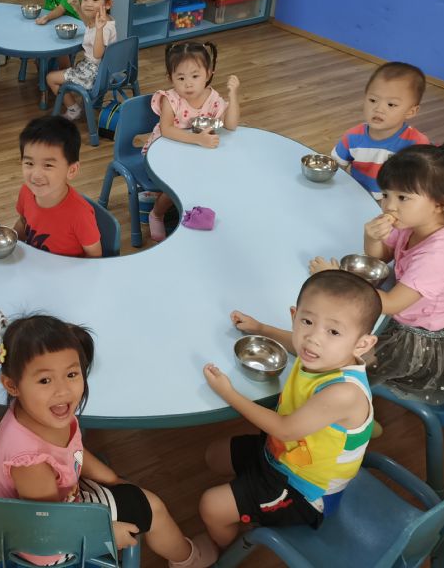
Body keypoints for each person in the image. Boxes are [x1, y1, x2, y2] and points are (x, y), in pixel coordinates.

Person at [0, 315, 218, 568]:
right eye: (45, 380)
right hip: (45, 545)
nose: (63, 391)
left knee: (137, 498)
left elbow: (73, 449)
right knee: (153, 509)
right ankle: (189, 561)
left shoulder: (44, 412)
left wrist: (111, 478)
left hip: (54, 508)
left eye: (71, 374)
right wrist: (106, 534)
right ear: (12, 385)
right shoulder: (31, 463)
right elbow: (47, 527)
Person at [200, 270, 382, 550]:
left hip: (305, 491)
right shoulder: (322, 354)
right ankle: (249, 502)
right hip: (280, 455)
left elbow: (284, 429)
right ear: (294, 316)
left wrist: (228, 393)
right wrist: (261, 328)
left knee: (211, 506)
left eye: (333, 331)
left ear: (362, 344)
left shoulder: (344, 393)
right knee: (214, 455)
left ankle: (220, 551)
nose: (313, 339)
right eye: (307, 322)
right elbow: (295, 342)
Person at [310, 144, 444, 405]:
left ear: (440, 203)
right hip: (399, 319)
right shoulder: (414, 223)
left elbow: (391, 304)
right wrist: (372, 237)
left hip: (416, 344)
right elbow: (380, 256)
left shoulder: (438, 256)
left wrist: (337, 278)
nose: (389, 206)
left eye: (402, 198)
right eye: (386, 195)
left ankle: (346, 409)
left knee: (337, 356)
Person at [143, 41, 241, 242]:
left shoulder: (213, 98)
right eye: (181, 78)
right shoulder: (170, 99)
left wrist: (233, 96)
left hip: (194, 152)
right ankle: (156, 214)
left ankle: (188, 206)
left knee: (215, 174)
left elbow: (231, 125)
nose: (188, 84)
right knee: (178, 182)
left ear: (209, 74)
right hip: (162, 151)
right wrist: (197, 139)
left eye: (195, 76)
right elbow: (166, 130)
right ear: (170, 78)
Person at [330, 61, 429, 201]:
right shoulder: (352, 136)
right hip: (355, 198)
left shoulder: (417, 144)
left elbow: (422, 184)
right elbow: (335, 167)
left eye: (391, 104)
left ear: (411, 111)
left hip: (393, 206)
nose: (378, 109)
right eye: (372, 100)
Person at [13, 116, 101, 258]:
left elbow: (95, 257)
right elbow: (23, 222)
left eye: (48, 165)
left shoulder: (80, 214)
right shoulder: (26, 191)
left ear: (71, 170)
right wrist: (11, 245)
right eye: (29, 163)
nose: (36, 175)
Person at [45, 0, 117, 122]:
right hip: (103, 70)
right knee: (64, 63)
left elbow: (97, 54)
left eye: (95, 0)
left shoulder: (103, 28)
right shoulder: (104, 20)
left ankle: (73, 109)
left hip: (93, 73)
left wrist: (99, 29)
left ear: (108, 4)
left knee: (51, 78)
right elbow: (89, 24)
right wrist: (78, 8)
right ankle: (76, 97)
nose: (88, 3)